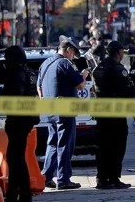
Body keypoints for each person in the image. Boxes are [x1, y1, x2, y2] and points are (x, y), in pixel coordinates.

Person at [37, 38, 89, 190]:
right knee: (65, 144)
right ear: (69, 50)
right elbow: (80, 86)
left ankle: (46, 177)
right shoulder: (66, 64)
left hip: (49, 109)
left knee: (52, 143)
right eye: (74, 54)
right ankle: (63, 179)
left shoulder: (46, 63)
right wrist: (84, 75)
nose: (73, 57)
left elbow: (39, 87)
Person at [92, 41, 135, 190]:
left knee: (102, 147)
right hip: (115, 114)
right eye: (122, 53)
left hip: (101, 113)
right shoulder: (119, 70)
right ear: (119, 53)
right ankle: (113, 178)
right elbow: (128, 94)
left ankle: (101, 179)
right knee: (117, 146)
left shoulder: (98, 67)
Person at [0, 46, 40, 202]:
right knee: (15, 157)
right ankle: (16, 192)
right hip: (26, 119)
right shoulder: (29, 73)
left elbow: (15, 97)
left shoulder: (16, 74)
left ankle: (22, 193)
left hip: (18, 119)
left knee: (16, 158)